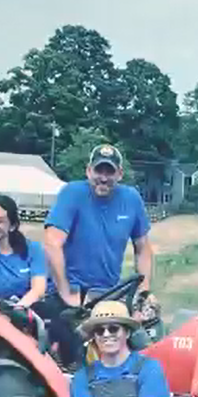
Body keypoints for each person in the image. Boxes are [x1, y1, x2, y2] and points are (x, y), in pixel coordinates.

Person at [41, 144, 157, 366]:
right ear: (88, 171)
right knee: (72, 355)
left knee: (146, 343)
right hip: (72, 296)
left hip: (108, 294)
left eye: (109, 172)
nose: (103, 178)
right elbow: (52, 243)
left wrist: (143, 292)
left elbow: (143, 248)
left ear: (119, 174)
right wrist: (66, 292)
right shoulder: (72, 194)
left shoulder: (131, 199)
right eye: (98, 171)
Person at [0, 194, 62, 351]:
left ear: (12, 226)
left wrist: (17, 310)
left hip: (30, 308)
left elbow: (38, 289)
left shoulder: (33, 249)